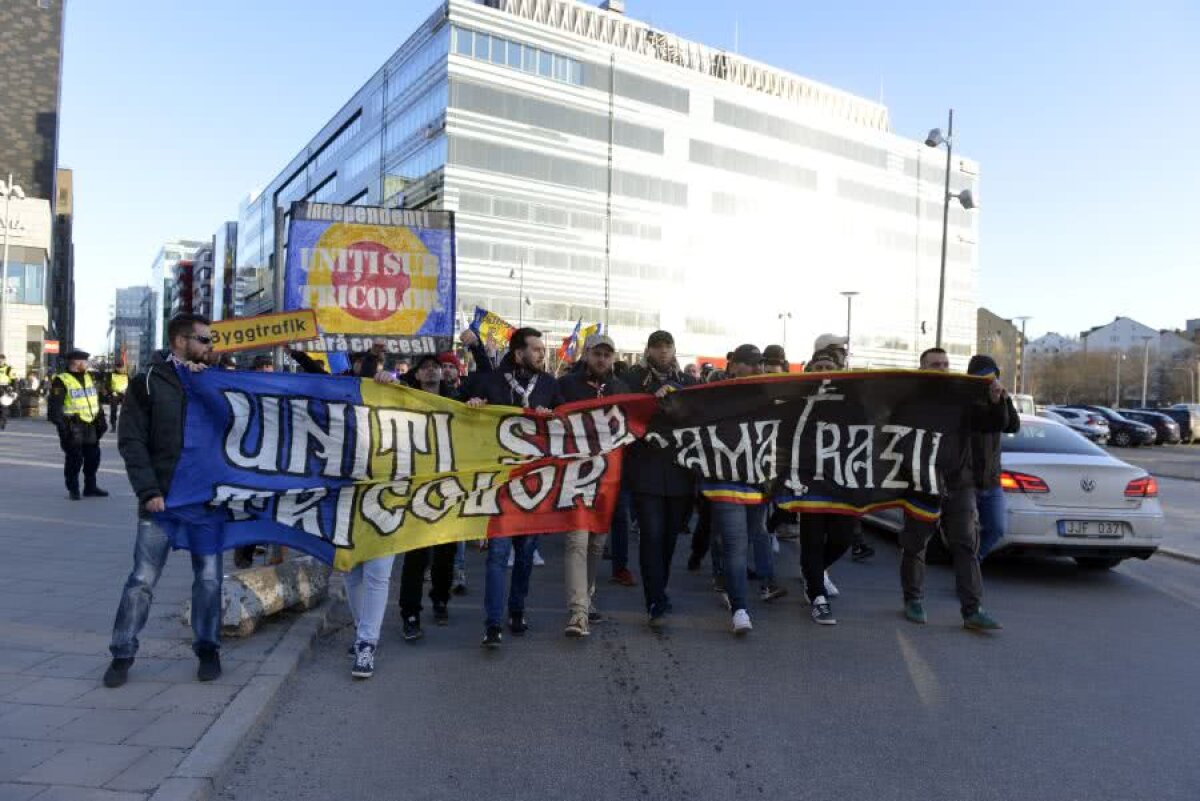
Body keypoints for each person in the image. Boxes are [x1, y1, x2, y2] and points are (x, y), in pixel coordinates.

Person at [103, 314, 224, 687]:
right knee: (141, 579)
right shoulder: (148, 383)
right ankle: (122, 653)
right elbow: (132, 441)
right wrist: (148, 491)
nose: (210, 347)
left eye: (212, 340)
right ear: (179, 340)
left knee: (208, 580)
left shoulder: (217, 381)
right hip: (162, 501)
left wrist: (208, 383)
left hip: (206, 501)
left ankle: (208, 648)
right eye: (204, 340)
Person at [899, 347, 1011, 632]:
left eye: (946, 363)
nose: (942, 368)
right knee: (916, 543)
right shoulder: (909, 400)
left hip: (959, 482)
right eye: (935, 364)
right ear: (922, 368)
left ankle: (972, 610)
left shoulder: (963, 399)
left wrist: (997, 401)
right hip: (922, 482)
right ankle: (913, 599)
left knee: (965, 544)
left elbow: (994, 424)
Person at [465, 327, 563, 648]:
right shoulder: (491, 382)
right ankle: (492, 623)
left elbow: (568, 421)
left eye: (542, 350)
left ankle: (516, 609)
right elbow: (462, 417)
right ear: (519, 352)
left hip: (534, 482)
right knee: (498, 553)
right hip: (498, 483)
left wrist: (555, 417)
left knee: (524, 555)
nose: (541, 354)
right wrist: (474, 405)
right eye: (536, 349)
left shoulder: (549, 384)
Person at [703, 345, 785, 635]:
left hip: (758, 483)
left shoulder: (769, 395)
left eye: (760, 363)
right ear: (733, 365)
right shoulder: (715, 395)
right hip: (725, 482)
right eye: (751, 364)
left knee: (748, 539)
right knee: (736, 546)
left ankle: (737, 585)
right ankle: (740, 609)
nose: (758, 368)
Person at [556, 334, 630, 637]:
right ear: (586, 354)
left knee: (597, 545)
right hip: (575, 475)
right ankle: (578, 612)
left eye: (607, 355)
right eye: (597, 353)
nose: (602, 359)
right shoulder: (566, 386)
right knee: (576, 541)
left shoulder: (622, 389)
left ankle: (586, 597)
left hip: (608, 480)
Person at [623, 330, 698, 627]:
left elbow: (700, 418)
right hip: (646, 470)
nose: (663, 352)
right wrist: (649, 401)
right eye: (657, 347)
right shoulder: (633, 379)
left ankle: (660, 589)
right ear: (648, 350)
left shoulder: (690, 383)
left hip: (680, 471)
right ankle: (654, 598)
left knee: (668, 539)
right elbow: (624, 413)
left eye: (668, 347)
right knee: (652, 536)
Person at [389, 354, 460, 645]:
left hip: (449, 486)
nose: (431, 371)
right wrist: (379, 373)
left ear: (443, 374)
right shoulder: (402, 397)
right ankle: (410, 613)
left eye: (436, 367)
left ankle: (440, 599)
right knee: (416, 554)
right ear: (417, 375)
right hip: (415, 486)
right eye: (425, 368)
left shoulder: (458, 400)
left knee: (446, 552)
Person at [795, 346, 857, 625]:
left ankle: (813, 572)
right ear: (810, 372)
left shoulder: (852, 401)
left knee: (842, 539)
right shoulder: (798, 400)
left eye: (827, 367)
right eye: (817, 368)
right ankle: (817, 596)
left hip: (842, 482)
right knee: (811, 539)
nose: (822, 372)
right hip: (809, 482)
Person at [966, 355, 1021, 559]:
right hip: (968, 479)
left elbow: (1013, 426)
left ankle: (972, 563)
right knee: (965, 531)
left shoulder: (999, 400)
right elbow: (991, 423)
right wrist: (996, 402)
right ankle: (968, 570)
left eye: (993, 376)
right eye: (983, 377)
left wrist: (1004, 400)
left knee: (997, 528)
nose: (989, 382)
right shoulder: (968, 403)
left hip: (991, 480)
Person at [48, 349, 109, 501]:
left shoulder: (89, 377)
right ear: (76, 362)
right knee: (74, 458)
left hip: (91, 423)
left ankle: (90, 487)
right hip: (72, 425)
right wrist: (62, 426)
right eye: (85, 361)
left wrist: (101, 418)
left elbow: (94, 399)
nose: (87, 364)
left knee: (93, 457)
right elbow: (54, 407)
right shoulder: (61, 380)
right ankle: (73, 489)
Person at [106, 364, 130, 428]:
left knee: (126, 410)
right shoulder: (111, 375)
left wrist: (127, 392)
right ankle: (113, 425)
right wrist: (112, 392)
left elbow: (130, 384)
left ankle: (126, 424)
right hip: (115, 394)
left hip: (124, 394)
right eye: (119, 368)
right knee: (113, 410)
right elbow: (107, 385)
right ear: (116, 368)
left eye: (122, 367)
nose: (121, 369)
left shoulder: (126, 375)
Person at [0, 354, 17, 430]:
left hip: (5, 388)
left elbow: (14, 380)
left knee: (4, 406)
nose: (0, 361)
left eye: (2, 359)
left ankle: (3, 422)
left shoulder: (9, 369)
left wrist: (14, 390)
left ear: (4, 360)